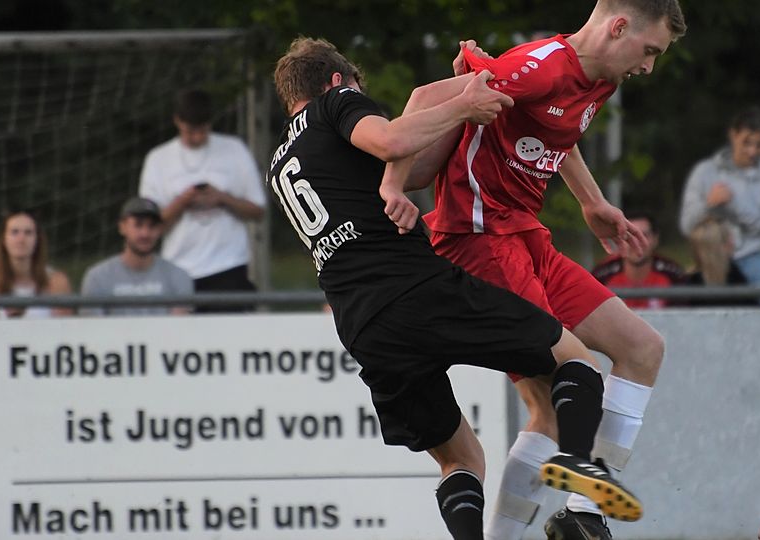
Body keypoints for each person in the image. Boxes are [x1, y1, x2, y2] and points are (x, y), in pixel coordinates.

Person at [268, 37, 641, 540]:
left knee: (461, 458)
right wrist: (465, 102)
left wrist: (459, 109)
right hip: (416, 289)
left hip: (362, 327)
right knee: (574, 361)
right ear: (337, 82)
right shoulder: (336, 103)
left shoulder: (280, 162)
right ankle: (578, 473)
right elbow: (392, 141)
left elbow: (413, 170)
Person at [386, 2, 687, 538]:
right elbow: (426, 99)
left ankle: (583, 511)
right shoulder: (540, 66)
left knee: (642, 349)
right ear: (618, 27)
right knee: (558, 392)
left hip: (525, 235)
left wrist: (592, 201)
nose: (648, 66)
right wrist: (391, 185)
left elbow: (553, 133)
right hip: (478, 237)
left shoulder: (600, 78)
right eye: (649, 51)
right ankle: (576, 511)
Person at [138, 88, 266, 312]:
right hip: (178, 268)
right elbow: (150, 225)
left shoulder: (234, 149)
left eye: (202, 131)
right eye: (190, 131)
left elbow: (258, 210)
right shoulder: (158, 159)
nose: (197, 137)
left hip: (229, 266)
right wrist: (183, 201)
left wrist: (222, 198)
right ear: (177, 122)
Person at [679, 106, 760, 307]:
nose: (752, 151)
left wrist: (737, 206)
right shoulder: (704, 172)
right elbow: (687, 225)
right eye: (746, 142)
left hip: (756, 260)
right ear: (733, 134)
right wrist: (709, 204)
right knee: (704, 319)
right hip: (710, 260)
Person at [80, 196, 194, 316]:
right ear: (122, 227)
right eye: (138, 225)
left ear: (160, 229)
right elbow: (93, 325)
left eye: (152, 226)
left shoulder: (179, 276)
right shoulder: (97, 277)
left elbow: (178, 325)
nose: (145, 233)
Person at [591, 210, 684, 309]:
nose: (636, 243)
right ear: (619, 239)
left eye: (644, 235)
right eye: (629, 236)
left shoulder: (673, 275)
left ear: (655, 239)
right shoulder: (601, 276)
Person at [0, 210, 72, 318]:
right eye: (14, 232)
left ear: (37, 239)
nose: (21, 239)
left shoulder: (56, 282)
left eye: (28, 233)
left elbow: (63, 326)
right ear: (4, 239)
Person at [683, 218, 760, 307]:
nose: (733, 243)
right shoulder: (691, 283)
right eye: (728, 239)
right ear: (719, 247)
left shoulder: (734, 273)